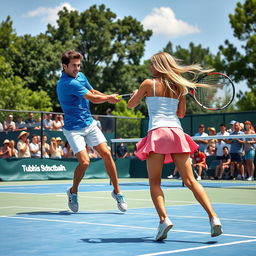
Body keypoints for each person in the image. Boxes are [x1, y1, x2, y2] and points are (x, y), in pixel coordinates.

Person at [127, 52, 222, 240]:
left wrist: (136, 96)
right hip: (176, 133)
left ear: (159, 66)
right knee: (191, 181)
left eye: (152, 64)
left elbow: (131, 105)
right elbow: (181, 114)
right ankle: (214, 218)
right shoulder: (180, 87)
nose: (149, 67)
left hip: (158, 132)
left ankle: (164, 220)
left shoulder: (147, 84)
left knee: (154, 182)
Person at [56, 50, 127, 213]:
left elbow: (94, 92)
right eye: (73, 65)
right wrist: (109, 97)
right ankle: (73, 192)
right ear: (64, 66)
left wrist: (109, 96)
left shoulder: (80, 77)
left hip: (89, 124)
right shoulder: (67, 84)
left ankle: (117, 192)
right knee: (85, 161)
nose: (77, 68)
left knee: (107, 153)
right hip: (73, 129)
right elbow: (93, 99)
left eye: (79, 65)